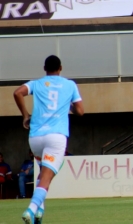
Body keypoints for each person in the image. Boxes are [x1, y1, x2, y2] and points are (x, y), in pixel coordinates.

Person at [14, 55, 84, 223]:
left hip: (36, 137)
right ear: (60, 68)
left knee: (42, 171)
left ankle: (40, 211)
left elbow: (17, 93)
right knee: (47, 176)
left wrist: (25, 115)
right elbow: (81, 111)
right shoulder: (69, 85)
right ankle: (31, 209)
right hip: (56, 137)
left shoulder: (36, 83)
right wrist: (68, 104)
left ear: (44, 69)